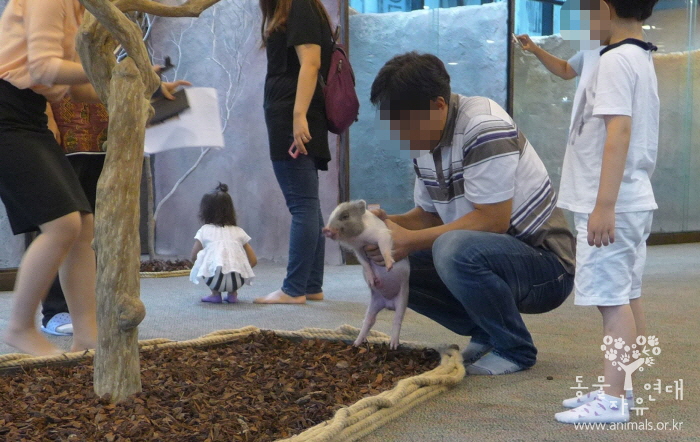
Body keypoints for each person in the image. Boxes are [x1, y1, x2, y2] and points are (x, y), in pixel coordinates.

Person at [365, 52, 576, 375]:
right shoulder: (425, 139)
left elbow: (492, 221)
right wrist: (384, 226)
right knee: (387, 264)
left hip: (547, 267)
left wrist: (408, 240)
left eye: (405, 123)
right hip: (495, 254)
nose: (401, 134)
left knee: (453, 249)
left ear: (438, 106)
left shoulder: (483, 127)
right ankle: (487, 331)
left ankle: (514, 348)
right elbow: (430, 216)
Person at [0, 0, 186, 355]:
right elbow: (42, 68)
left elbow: (80, 90)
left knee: (84, 226)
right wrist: (111, 70)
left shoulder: (80, 11)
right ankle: (19, 326)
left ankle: (87, 334)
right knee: (62, 225)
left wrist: (144, 90)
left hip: (30, 114)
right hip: (6, 111)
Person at [554, 0, 660, 424]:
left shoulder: (617, 61)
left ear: (602, 7)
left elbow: (619, 129)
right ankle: (624, 388)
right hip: (632, 201)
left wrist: (604, 205)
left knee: (611, 303)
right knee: (627, 295)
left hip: (613, 204)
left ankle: (613, 399)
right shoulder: (638, 55)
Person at [254, 0, 334, 304]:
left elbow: (310, 63)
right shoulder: (299, 8)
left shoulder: (300, 6)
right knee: (308, 203)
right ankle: (311, 285)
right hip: (292, 112)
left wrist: (298, 116)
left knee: (301, 204)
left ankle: (294, 289)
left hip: (292, 114)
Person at [39, 96, 109, 337]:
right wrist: (46, 114)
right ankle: (56, 309)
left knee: (96, 226)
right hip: (64, 129)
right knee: (62, 223)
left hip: (106, 131)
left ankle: (88, 309)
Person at [190, 183, 257, 304]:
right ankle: (233, 294)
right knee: (232, 262)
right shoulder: (239, 231)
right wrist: (241, 267)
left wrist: (204, 263)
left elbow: (194, 256)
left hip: (214, 280)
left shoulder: (205, 230)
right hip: (238, 280)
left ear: (205, 212)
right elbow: (253, 260)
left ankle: (215, 294)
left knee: (205, 260)